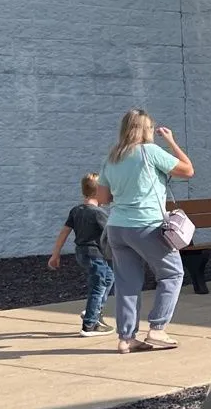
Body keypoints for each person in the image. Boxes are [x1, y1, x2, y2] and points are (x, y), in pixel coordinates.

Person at [98, 108, 192, 354]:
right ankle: (158, 329)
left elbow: (103, 197)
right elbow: (187, 170)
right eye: (150, 127)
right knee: (172, 274)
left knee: (127, 283)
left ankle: (126, 338)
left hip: (117, 227)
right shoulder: (150, 151)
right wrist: (171, 141)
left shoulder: (112, 157)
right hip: (146, 225)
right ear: (145, 129)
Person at [47, 173, 114, 337]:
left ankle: (93, 310)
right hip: (96, 255)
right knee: (99, 286)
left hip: (82, 254)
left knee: (107, 278)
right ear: (98, 191)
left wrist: (55, 255)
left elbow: (64, 233)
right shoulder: (99, 214)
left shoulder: (76, 211)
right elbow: (112, 235)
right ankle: (89, 325)